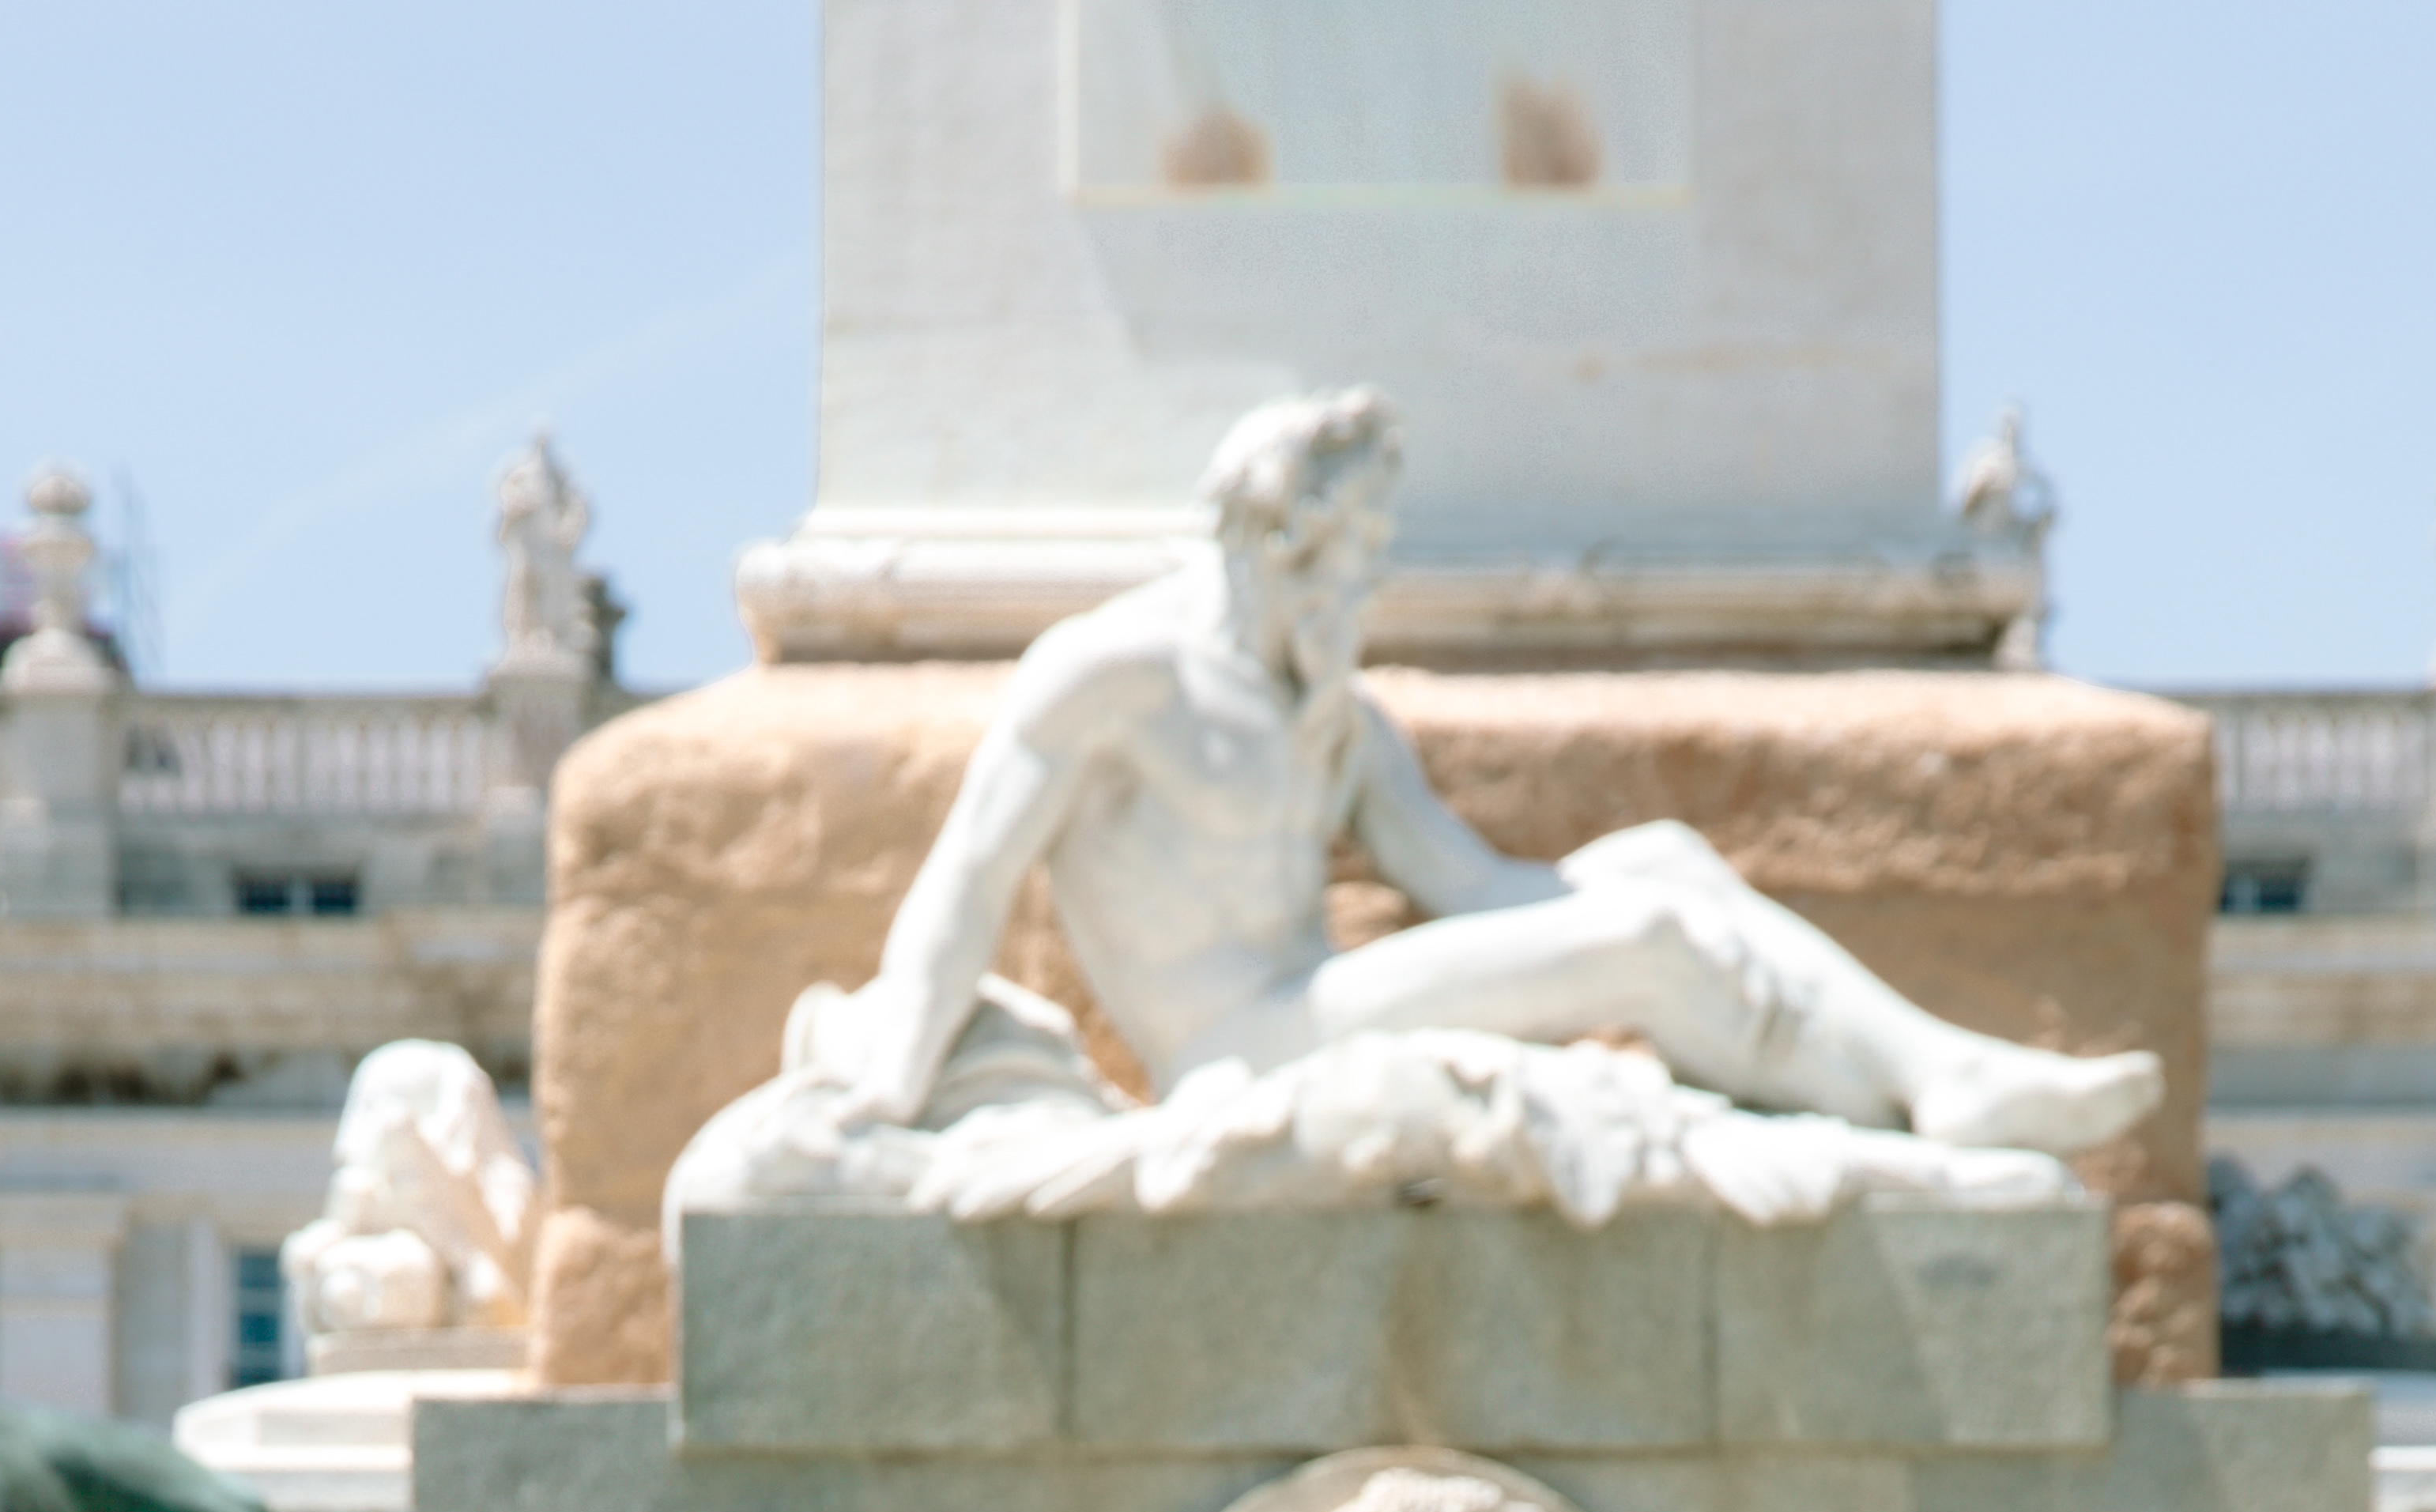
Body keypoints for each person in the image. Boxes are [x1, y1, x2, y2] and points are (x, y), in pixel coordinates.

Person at [830, 381, 2159, 1171]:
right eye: (1352, 548)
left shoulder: (1334, 720)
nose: (1369, 578)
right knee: (1637, 932)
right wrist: (888, 1088)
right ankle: (1914, 1101)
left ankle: (1935, 1075)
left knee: (1657, 865)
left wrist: (1646, 896)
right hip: (1237, 1044)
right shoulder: (1114, 675)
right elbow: (968, 882)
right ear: (1276, 540)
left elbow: (1470, 886)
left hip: (1313, 1007)